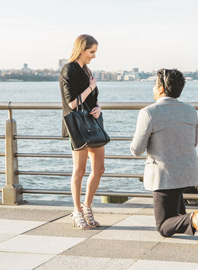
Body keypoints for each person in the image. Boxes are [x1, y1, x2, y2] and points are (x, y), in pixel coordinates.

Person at [130, 69, 198, 246]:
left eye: (154, 84)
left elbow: (136, 150)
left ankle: (194, 218)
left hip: (164, 177)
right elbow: (194, 142)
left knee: (163, 227)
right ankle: (195, 223)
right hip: (188, 173)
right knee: (176, 216)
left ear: (160, 89)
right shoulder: (190, 110)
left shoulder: (149, 112)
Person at [59, 34, 105, 229]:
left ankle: (87, 206)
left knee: (99, 168)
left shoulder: (86, 70)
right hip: (77, 125)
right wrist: (90, 86)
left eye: (95, 52)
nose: (94, 56)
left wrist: (99, 108)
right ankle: (77, 211)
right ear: (81, 50)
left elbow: (92, 98)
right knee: (79, 170)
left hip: (93, 122)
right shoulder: (68, 70)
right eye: (91, 51)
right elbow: (72, 103)